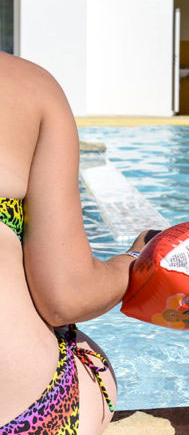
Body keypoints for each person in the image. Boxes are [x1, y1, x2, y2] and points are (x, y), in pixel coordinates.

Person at [0, 53, 147, 433]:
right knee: (80, 350)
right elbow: (65, 298)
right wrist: (133, 258)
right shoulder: (28, 85)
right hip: (25, 418)